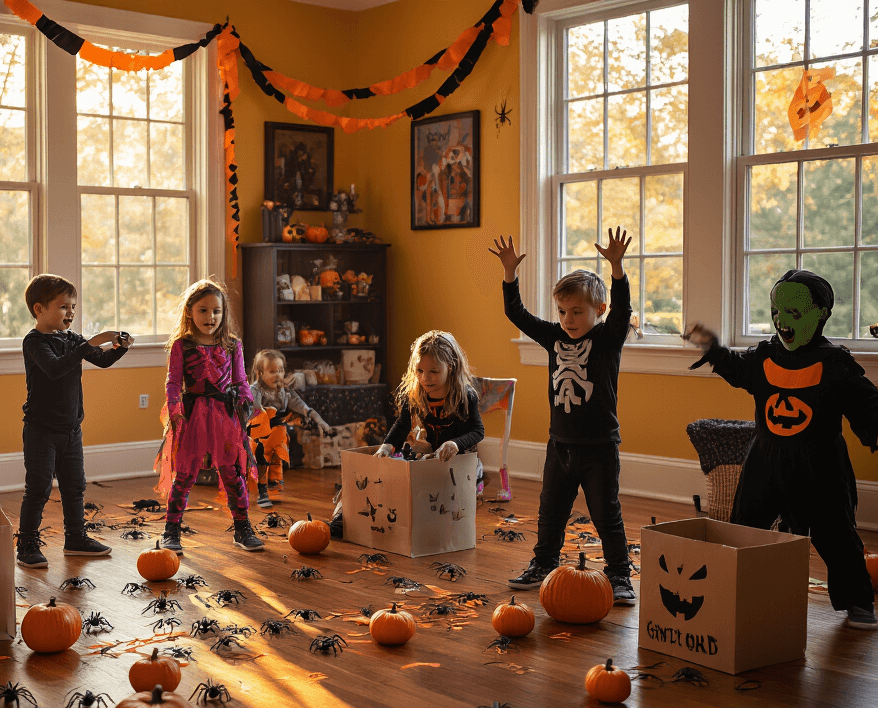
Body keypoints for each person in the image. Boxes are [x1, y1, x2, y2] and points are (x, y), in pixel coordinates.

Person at [683, 269, 878, 630]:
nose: (781, 321)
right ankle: (733, 589)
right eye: (776, 311)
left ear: (821, 313)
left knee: (836, 532)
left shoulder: (835, 363)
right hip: (766, 458)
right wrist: (714, 348)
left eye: (793, 313)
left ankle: (856, 601)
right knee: (746, 525)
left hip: (819, 462)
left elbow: (865, 397)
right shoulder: (765, 355)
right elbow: (738, 371)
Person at [493, 227, 637, 604]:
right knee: (550, 510)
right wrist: (510, 274)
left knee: (606, 514)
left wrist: (617, 270)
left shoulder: (607, 338)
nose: (568, 319)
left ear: (598, 311)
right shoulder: (554, 337)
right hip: (560, 444)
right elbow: (516, 313)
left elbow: (623, 311)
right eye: (562, 311)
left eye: (577, 311)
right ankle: (543, 564)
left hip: (599, 447)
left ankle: (620, 574)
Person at [15, 274, 131, 567]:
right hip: (41, 431)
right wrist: (85, 345)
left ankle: (76, 537)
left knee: (74, 485)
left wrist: (119, 348)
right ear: (39, 309)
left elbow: (101, 360)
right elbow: (54, 369)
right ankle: (27, 543)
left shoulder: (73, 340)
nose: (71, 313)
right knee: (39, 488)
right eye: (64, 306)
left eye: (73, 307)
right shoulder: (35, 342)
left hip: (71, 430)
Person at [329, 331, 485, 537]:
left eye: (434, 371)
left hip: (461, 463)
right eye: (419, 370)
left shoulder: (466, 396)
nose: (425, 378)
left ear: (452, 366)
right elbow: (402, 424)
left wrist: (455, 443)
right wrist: (387, 446)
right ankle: (343, 519)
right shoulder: (414, 394)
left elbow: (477, 431)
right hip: (430, 456)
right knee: (379, 473)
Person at [155, 278, 262, 553]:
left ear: (223, 313)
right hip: (192, 417)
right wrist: (175, 409)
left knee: (232, 472)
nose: (210, 317)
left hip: (225, 416)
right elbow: (173, 381)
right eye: (203, 310)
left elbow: (240, 380)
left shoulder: (232, 345)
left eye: (216, 310)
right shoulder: (182, 345)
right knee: (185, 474)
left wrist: (246, 401)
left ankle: (242, 528)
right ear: (190, 311)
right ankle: (172, 530)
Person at [248, 349, 330, 508]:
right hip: (258, 431)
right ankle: (262, 489)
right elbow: (252, 408)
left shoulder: (285, 391)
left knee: (277, 455)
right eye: (272, 371)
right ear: (259, 373)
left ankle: (273, 485)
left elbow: (302, 406)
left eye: (280, 370)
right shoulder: (255, 390)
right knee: (262, 457)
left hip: (277, 432)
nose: (278, 375)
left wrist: (321, 422)